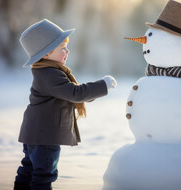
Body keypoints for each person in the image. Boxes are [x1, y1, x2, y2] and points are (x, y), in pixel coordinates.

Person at [14, 19, 117, 190]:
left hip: (35, 134)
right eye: (62, 48)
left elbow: (73, 94)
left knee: (30, 169)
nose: (67, 51)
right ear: (46, 54)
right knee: (44, 174)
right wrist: (102, 85)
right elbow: (75, 94)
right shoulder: (50, 75)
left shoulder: (45, 71)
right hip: (44, 136)